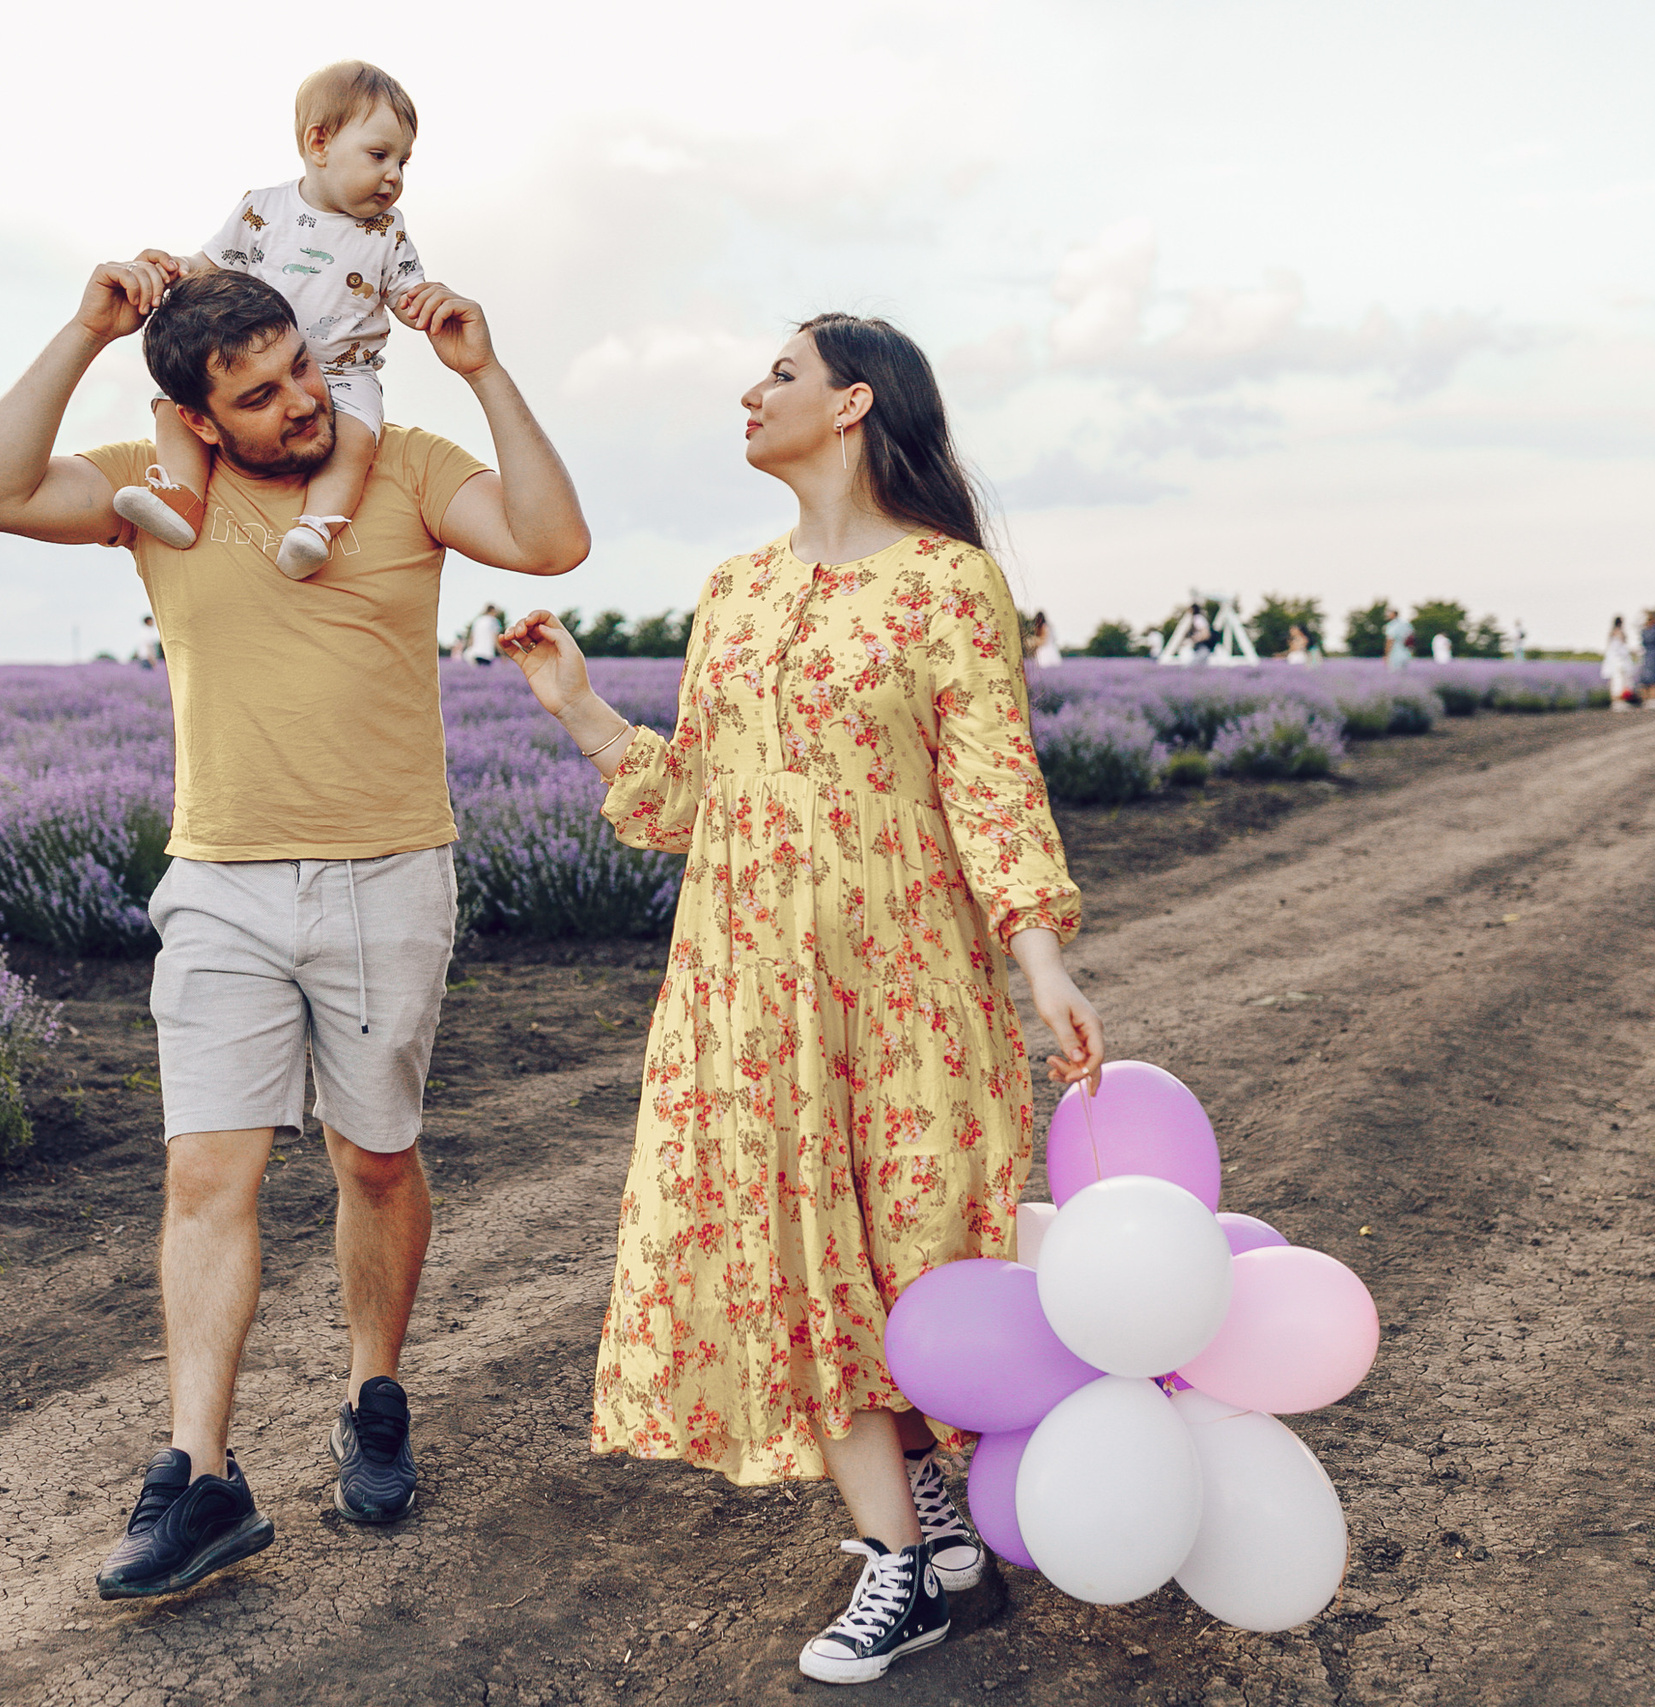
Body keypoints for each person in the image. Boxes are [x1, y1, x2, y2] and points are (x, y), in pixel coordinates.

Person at [0, 260, 587, 1597]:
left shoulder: (401, 464)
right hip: (222, 876)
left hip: (386, 874)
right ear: (198, 413)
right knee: (206, 1174)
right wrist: (85, 327)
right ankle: (201, 1473)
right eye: (260, 393)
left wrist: (482, 365)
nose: (301, 402)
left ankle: (373, 1391)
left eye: (301, 368)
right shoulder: (157, 497)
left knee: (370, 1159)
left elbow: (549, 538)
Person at [500, 313, 1105, 1686]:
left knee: (914, 1252)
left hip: (905, 991)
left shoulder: (950, 586)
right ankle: (903, 1564)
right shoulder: (733, 590)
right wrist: (580, 709)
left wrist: (1041, 954)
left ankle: (931, 1495)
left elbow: (991, 786)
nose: (748, 393)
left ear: (852, 403)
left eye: (778, 373)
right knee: (799, 1262)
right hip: (745, 997)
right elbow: (687, 797)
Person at [109, 62, 426, 580]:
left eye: (403, 162)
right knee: (176, 404)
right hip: (254, 363)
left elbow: (408, 292)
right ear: (318, 143)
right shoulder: (264, 209)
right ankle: (181, 501)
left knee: (355, 442)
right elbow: (208, 265)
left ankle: (315, 529)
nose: (393, 174)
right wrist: (169, 269)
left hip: (344, 373)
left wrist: (430, 302)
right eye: (378, 155)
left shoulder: (387, 230)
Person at [1602, 615, 1634, 708]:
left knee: (1616, 680)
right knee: (1619, 680)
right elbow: (1622, 643)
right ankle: (1618, 700)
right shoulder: (1618, 632)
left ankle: (1616, 700)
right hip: (1618, 660)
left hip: (1613, 659)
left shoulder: (1611, 633)